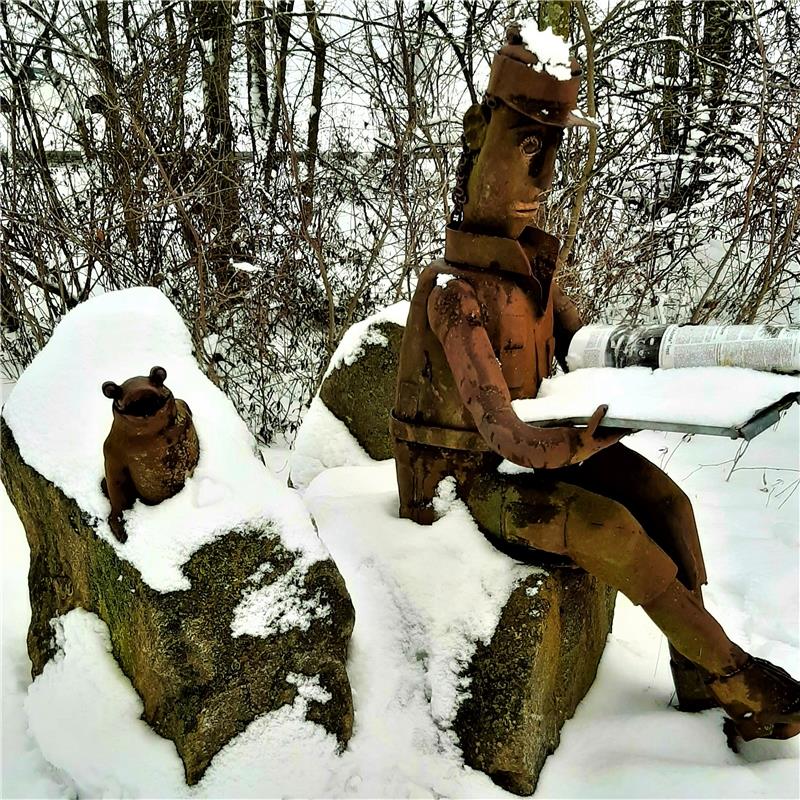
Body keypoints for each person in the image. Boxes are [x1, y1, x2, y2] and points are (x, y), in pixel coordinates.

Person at [390, 24, 800, 745]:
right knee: (610, 525)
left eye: (552, 156)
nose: (542, 183)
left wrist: (663, 381)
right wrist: (585, 435)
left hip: (543, 449)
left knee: (667, 504)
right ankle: (737, 674)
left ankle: (698, 678)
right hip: (466, 485)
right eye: (526, 155)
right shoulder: (454, 292)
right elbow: (501, 430)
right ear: (481, 150)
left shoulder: (532, 272)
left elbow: (584, 352)